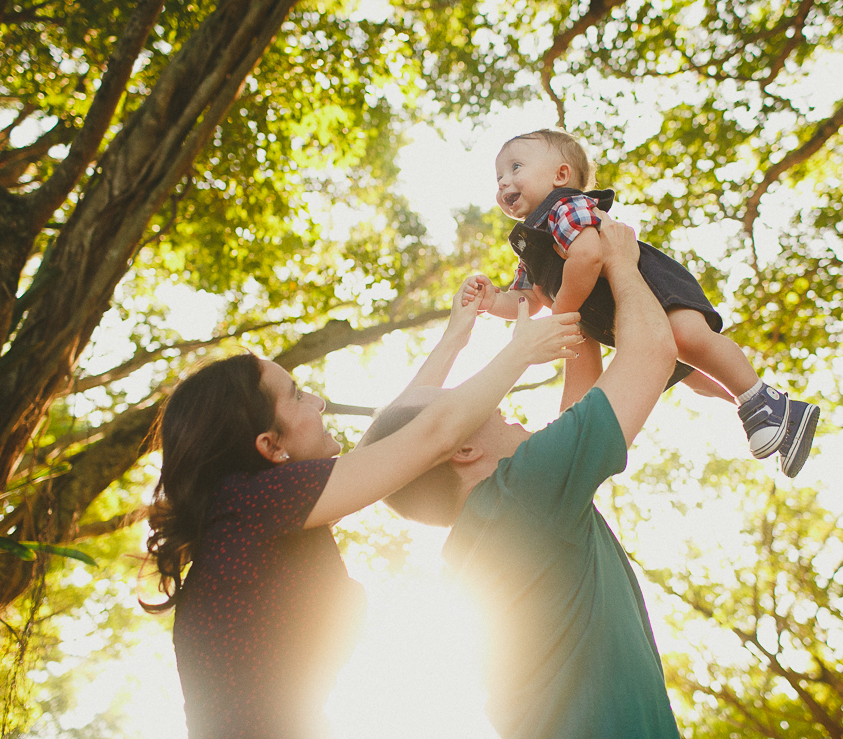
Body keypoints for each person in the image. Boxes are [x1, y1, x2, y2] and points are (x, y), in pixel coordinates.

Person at [142, 283, 582, 739]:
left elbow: (394, 441)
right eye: (297, 396)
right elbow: (430, 437)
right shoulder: (247, 508)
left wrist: (456, 335)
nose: (318, 402)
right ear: (270, 446)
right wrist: (518, 353)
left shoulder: (259, 519)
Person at [360, 220, 684, 739]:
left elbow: (582, 402)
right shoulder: (522, 496)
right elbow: (652, 353)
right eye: (469, 401)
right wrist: (622, 262)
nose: (497, 404)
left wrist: (567, 296)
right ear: (463, 448)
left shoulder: (494, 530)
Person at [465, 128, 819, 478]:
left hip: (650, 284)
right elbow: (527, 300)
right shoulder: (531, 247)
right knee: (691, 373)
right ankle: (776, 412)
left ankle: (761, 401)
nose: (503, 182)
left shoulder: (563, 207)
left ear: (561, 175)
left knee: (688, 338)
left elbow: (587, 256)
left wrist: (564, 311)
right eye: (498, 176)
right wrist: (492, 300)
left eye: (515, 167)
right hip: (624, 314)